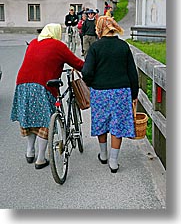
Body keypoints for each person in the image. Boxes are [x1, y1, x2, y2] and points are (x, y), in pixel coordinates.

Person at [11, 23, 84, 170]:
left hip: (22, 84)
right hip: (42, 85)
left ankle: (30, 152)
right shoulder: (58, 46)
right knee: (45, 121)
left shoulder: (33, 42)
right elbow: (77, 63)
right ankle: (40, 158)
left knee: (30, 118)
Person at [82, 16, 139, 173]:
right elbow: (132, 73)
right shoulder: (123, 46)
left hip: (100, 92)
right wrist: (134, 94)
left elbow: (86, 72)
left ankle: (103, 154)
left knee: (101, 122)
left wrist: (90, 83)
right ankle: (113, 161)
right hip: (121, 92)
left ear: (99, 29)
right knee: (117, 124)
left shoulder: (95, 47)